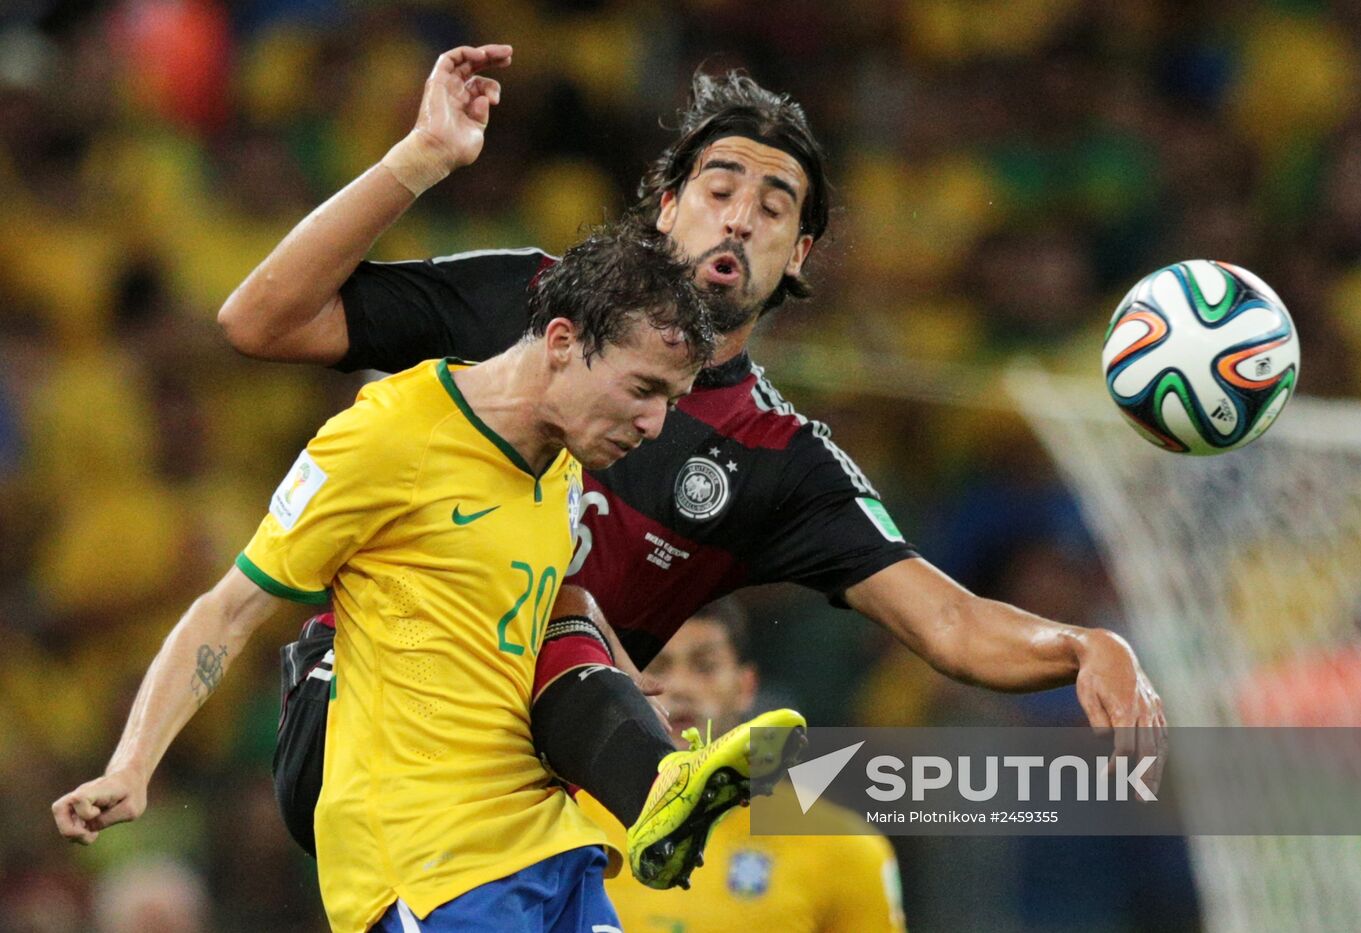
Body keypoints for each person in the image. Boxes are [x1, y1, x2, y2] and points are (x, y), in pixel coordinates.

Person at [218, 44, 1166, 889]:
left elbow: (950, 624)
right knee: (565, 602)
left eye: (773, 206)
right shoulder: (527, 296)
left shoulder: (778, 460)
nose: (739, 219)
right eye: (719, 188)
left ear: (797, 257)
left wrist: (1087, 644)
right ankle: (664, 782)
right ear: (666, 206)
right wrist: (419, 160)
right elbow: (262, 321)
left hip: (528, 803)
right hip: (364, 720)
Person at [52, 222, 807, 933]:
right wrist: (132, 763)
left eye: (670, 402)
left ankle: (662, 781)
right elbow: (227, 610)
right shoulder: (388, 437)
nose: (653, 425)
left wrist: (621, 682)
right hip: (429, 860)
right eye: (643, 390)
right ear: (562, 340)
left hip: (551, 843)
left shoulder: (566, 461)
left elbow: (532, 605)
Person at [580, 597, 907, 932]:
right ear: (621, 681)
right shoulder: (564, 819)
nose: (680, 687)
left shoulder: (842, 847)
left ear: (745, 686)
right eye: (657, 667)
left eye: (704, 666)